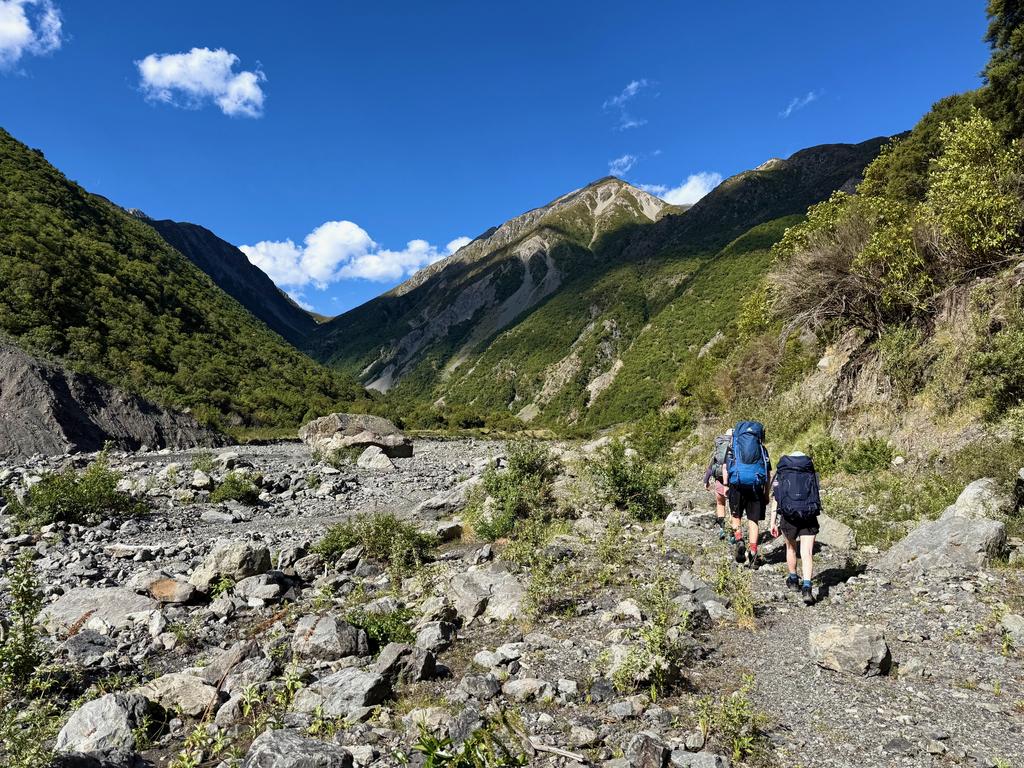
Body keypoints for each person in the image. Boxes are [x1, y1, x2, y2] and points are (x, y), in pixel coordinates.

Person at [768, 450, 821, 606]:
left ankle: (792, 579)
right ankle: (806, 586)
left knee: (791, 549)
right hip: (809, 514)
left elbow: (777, 499)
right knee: (807, 552)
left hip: (789, 516)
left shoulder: (782, 473)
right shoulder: (810, 472)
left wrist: (772, 522)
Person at [723, 421, 771, 569]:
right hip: (755, 486)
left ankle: (739, 540)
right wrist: (766, 493)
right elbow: (768, 474)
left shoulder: (733, 447)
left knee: (736, 516)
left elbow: (726, 467)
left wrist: (726, 486)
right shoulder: (762, 449)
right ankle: (753, 552)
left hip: (736, 484)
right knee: (753, 520)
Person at [703, 429, 734, 541]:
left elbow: (711, 467)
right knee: (732, 507)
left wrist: (706, 481)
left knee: (720, 504)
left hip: (719, 480)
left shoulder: (719, 447)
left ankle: (722, 529)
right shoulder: (735, 447)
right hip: (732, 481)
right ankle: (732, 533)